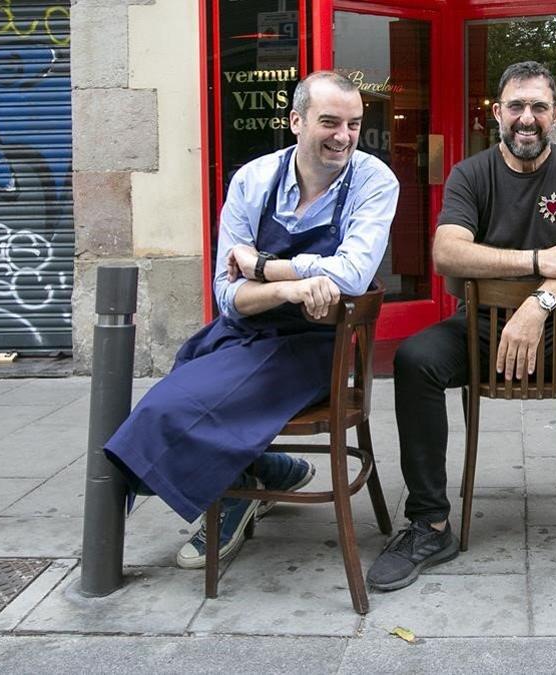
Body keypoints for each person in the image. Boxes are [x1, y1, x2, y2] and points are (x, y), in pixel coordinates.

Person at [366, 61, 556, 592]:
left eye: (539, 108)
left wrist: (537, 306)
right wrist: (538, 260)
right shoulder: (470, 174)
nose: (528, 118)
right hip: (477, 330)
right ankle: (429, 522)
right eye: (517, 107)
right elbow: (445, 252)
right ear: (497, 113)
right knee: (414, 360)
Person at [104, 71, 399, 569]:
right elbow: (228, 296)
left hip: (313, 345)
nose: (343, 136)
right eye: (329, 122)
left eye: (353, 123)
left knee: (169, 411)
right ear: (296, 121)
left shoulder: (374, 180)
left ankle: (239, 494)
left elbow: (350, 276)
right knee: (180, 384)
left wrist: (261, 266)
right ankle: (262, 473)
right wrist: (292, 287)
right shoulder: (253, 180)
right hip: (243, 331)